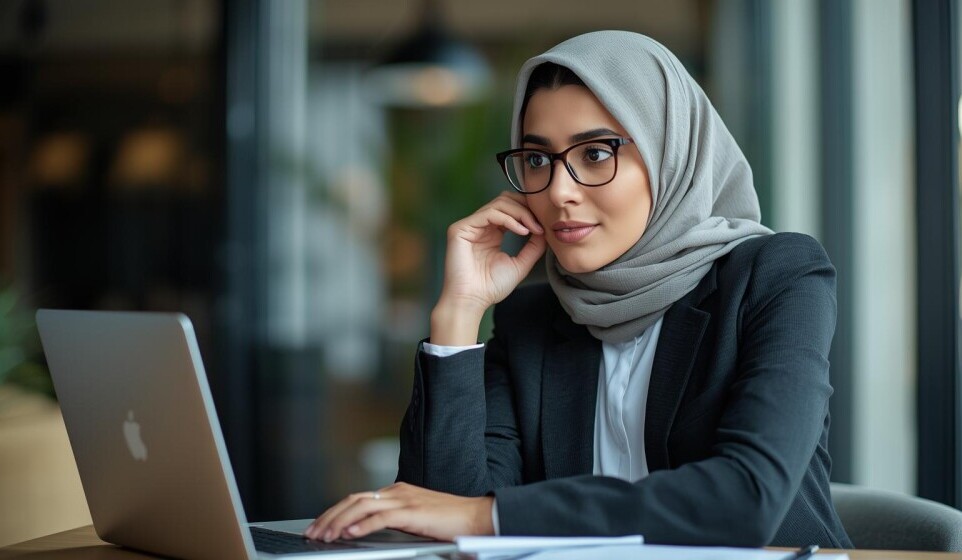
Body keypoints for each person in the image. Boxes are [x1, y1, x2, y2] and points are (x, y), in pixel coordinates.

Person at [305, 30, 853, 548]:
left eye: (594, 153)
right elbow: (433, 514)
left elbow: (746, 499)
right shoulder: (534, 319)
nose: (559, 191)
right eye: (538, 159)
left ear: (669, 156)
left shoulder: (774, 276)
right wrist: (458, 313)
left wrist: (487, 517)